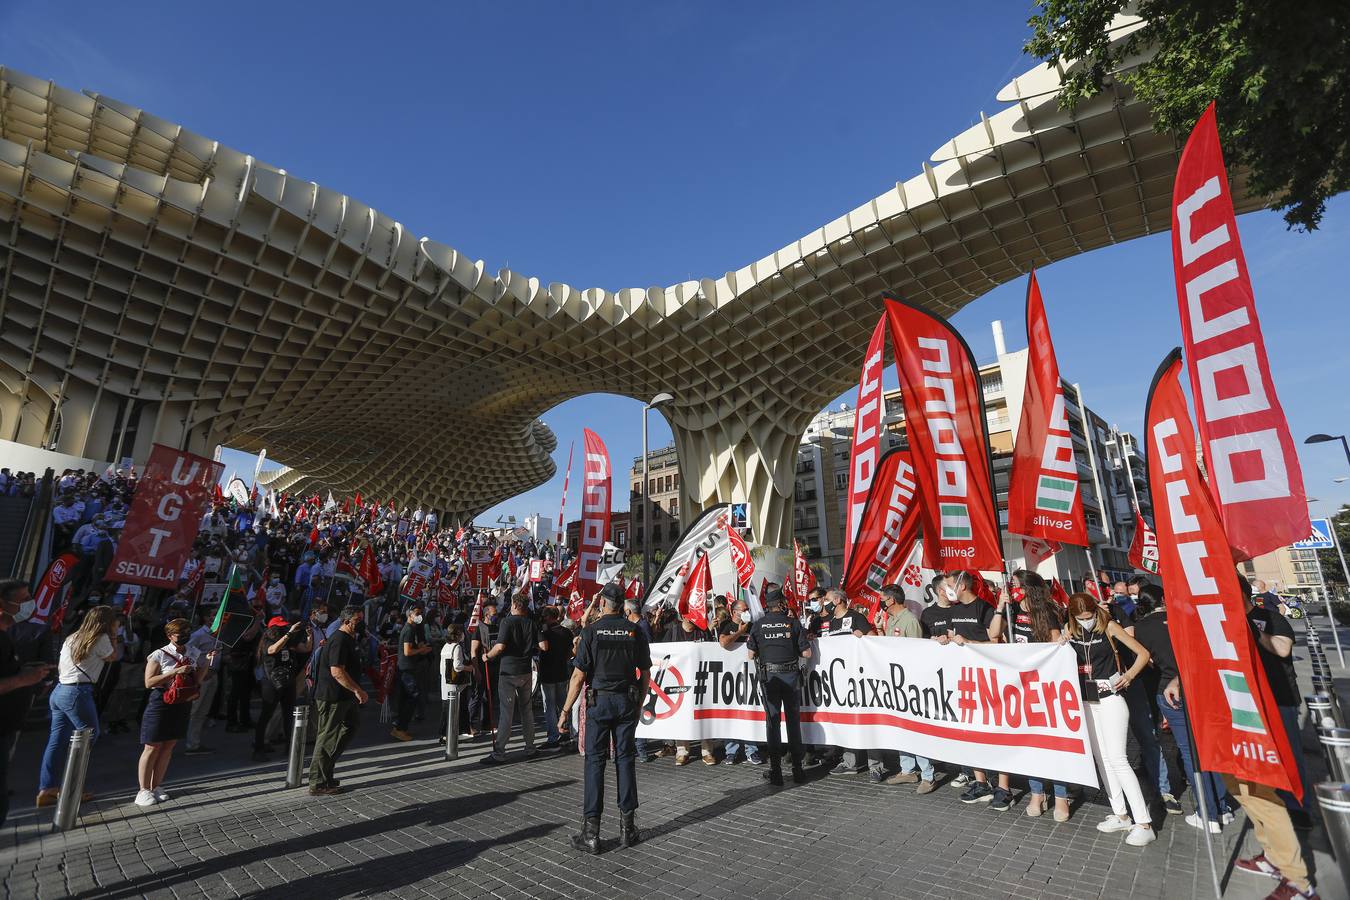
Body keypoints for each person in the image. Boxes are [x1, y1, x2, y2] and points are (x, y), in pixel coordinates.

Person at [558, 584, 652, 854]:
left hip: (598, 703)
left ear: (603, 605)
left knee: (594, 763)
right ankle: (627, 829)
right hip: (625, 702)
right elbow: (645, 673)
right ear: (622, 605)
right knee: (625, 761)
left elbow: (578, 677)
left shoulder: (590, 632)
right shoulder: (634, 632)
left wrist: (565, 711)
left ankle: (591, 833)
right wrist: (639, 702)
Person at [1133, 583, 1232, 834]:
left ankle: (1207, 813)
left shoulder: (1142, 628)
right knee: (1210, 747)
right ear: (1164, 599)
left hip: (1168, 690)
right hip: (1202, 687)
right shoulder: (1187, 618)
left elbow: (1148, 660)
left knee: (1190, 751)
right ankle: (1222, 808)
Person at [1063, 592, 1155, 847]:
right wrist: (1062, 640)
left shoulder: (1109, 626)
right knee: (1102, 760)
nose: (1086, 621)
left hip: (1110, 698)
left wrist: (1130, 676)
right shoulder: (1070, 630)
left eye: (1089, 616)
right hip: (1085, 700)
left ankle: (1144, 822)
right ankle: (1121, 813)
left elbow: (1142, 654)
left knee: (1118, 759)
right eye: (1080, 618)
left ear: (1095, 611)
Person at [1241, 575, 1311, 828]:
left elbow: (1283, 649)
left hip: (1280, 696)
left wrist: (1254, 632)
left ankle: (1298, 807)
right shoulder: (1229, 622)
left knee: (1289, 754)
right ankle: (1271, 809)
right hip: (1249, 701)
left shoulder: (1270, 617)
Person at [938, 571, 1009, 809]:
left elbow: (997, 642)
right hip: (964, 681)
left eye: (949, 585)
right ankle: (981, 784)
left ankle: (1004, 787)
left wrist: (970, 644)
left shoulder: (984, 608)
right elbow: (952, 637)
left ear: (962, 585)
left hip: (989, 679)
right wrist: (944, 641)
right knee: (971, 734)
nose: (946, 589)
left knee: (996, 735)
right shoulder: (954, 611)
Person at [35, 606, 117, 806]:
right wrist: (114, 634)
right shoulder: (102, 638)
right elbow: (113, 657)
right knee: (86, 737)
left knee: (57, 740)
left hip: (60, 690)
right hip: (78, 692)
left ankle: (47, 788)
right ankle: (71, 791)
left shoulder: (72, 637)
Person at [1006, 572, 1071, 821]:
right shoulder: (1011, 608)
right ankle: (1037, 792)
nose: (1011, 588)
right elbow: (995, 635)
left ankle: (1062, 795)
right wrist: (1002, 606)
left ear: (1027, 588)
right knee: (1029, 742)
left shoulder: (1047, 610)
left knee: (1052, 742)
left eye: (1015, 585)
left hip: (1046, 683)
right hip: (1020, 683)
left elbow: (1055, 644)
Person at [137, 617, 214, 807]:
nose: (185, 637)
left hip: (182, 701)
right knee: (152, 745)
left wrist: (206, 663)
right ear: (170, 636)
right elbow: (149, 682)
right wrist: (174, 672)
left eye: (188, 632)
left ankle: (156, 785)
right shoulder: (159, 654)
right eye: (181, 634)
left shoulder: (193, 652)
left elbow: (196, 680)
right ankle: (143, 789)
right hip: (161, 700)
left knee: (169, 745)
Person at [0, 581, 53, 826]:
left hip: (9, 721)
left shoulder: (17, 633)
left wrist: (27, 673)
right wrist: (23, 678)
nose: (29, 604)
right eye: (24, 599)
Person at [746, 587, 810, 786]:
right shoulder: (793, 623)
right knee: (793, 722)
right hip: (791, 677)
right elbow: (806, 654)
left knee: (772, 723)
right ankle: (798, 769)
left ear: (768, 605)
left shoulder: (758, 625)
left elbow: (750, 654)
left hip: (770, 679)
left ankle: (776, 771)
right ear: (781, 604)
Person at [309, 606, 368, 795]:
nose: (360, 624)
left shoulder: (350, 639)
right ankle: (318, 782)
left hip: (345, 697)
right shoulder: (339, 640)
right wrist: (357, 690)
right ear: (346, 621)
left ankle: (326, 771)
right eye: (357, 621)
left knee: (351, 727)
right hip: (332, 696)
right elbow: (337, 671)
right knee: (326, 736)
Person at [481, 596, 544, 764]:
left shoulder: (507, 622)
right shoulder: (531, 623)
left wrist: (487, 656)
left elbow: (500, 646)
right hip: (525, 672)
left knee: (507, 713)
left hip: (508, 672)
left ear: (515, 605)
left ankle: (500, 752)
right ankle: (530, 747)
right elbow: (544, 646)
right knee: (526, 711)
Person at [717, 597, 764, 766]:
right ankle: (731, 751)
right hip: (730, 678)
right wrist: (739, 632)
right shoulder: (726, 626)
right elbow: (723, 643)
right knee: (731, 713)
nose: (746, 613)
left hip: (750, 676)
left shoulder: (753, 626)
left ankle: (752, 750)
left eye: (747, 610)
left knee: (749, 711)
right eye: (743, 610)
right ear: (734, 612)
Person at [255, 616, 309, 761]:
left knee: (288, 714)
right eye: (281, 627)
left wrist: (308, 636)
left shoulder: (289, 641)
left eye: (285, 627)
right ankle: (258, 748)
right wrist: (289, 633)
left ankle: (290, 747)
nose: (283, 629)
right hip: (271, 682)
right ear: (273, 629)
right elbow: (273, 650)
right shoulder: (267, 641)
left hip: (288, 680)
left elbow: (305, 649)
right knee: (266, 714)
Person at [391, 602, 434, 742]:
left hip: (409, 667)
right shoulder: (409, 629)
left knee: (406, 698)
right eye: (416, 613)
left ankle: (399, 726)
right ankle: (400, 728)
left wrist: (422, 647)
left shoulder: (414, 629)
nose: (419, 615)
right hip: (407, 668)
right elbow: (407, 651)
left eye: (421, 613)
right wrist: (422, 650)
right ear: (410, 614)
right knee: (412, 696)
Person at [537, 606, 574, 750]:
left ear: (547, 617)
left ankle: (553, 738)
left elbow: (543, 647)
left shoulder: (545, 632)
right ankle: (568, 732)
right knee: (563, 704)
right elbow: (572, 651)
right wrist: (564, 659)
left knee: (550, 707)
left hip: (548, 674)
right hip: (562, 672)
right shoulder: (566, 632)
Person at [438, 623, 470, 745]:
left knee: (446, 710)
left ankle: (444, 735)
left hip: (445, 683)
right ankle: (447, 736)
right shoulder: (457, 647)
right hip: (454, 684)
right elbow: (457, 666)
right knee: (452, 711)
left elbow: (442, 668)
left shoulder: (445, 646)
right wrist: (469, 668)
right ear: (457, 634)